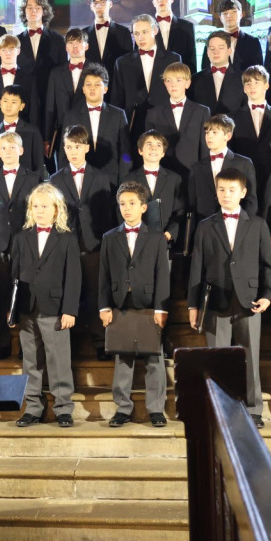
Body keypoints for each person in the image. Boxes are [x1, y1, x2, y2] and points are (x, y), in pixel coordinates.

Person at [187, 167, 271, 428]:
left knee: (250, 355)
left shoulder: (258, 224)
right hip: (216, 301)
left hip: (249, 301)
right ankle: (220, 407)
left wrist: (268, 296)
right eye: (222, 190)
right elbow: (197, 269)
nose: (227, 194)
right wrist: (194, 305)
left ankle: (254, 408)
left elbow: (268, 265)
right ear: (216, 193)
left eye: (232, 190)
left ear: (243, 192)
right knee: (217, 356)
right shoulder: (205, 226)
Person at [100, 181, 171, 427]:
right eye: (122, 204)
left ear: (143, 207)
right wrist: (104, 306)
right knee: (123, 357)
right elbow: (104, 276)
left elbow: (163, 274)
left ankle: (156, 409)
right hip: (120, 304)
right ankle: (123, 408)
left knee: (154, 358)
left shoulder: (156, 237)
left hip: (149, 304)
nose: (126, 209)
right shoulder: (109, 237)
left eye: (132, 204)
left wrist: (161, 308)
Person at [10, 183, 81, 427]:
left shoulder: (67, 239)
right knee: (31, 361)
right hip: (27, 309)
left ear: (56, 209)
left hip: (56, 308)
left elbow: (73, 277)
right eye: (35, 206)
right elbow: (15, 276)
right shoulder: (21, 238)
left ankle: (63, 408)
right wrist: (13, 310)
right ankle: (33, 407)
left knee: (59, 360)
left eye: (44, 206)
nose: (39, 210)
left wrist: (70, 309)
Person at [49, 125, 118, 361]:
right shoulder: (55, 178)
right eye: (68, 147)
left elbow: (108, 212)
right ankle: (67, 343)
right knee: (67, 292)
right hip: (66, 243)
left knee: (96, 292)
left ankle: (101, 341)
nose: (73, 151)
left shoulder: (101, 177)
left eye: (77, 147)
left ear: (87, 148)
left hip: (94, 242)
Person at [0, 130, 42, 359]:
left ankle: (27, 347)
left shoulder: (34, 178)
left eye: (12, 147)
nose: (8, 152)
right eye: (3, 148)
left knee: (26, 293)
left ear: (21, 150)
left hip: (27, 244)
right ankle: (0, 343)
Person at [111, 14, 180, 139]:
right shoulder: (122, 62)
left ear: (155, 30)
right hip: (133, 125)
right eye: (136, 34)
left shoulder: (173, 59)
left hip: (165, 122)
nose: (140, 37)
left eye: (144, 32)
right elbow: (117, 98)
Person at [59, 64, 130, 183]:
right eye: (88, 84)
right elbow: (63, 153)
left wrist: (124, 181)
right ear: (83, 89)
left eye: (97, 84)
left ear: (105, 89)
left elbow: (126, 153)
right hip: (80, 178)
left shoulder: (118, 114)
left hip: (111, 179)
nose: (92, 88)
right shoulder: (71, 115)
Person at [228, 65, 271, 200]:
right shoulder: (232, 117)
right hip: (242, 176)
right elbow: (230, 151)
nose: (252, 87)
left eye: (257, 82)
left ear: (266, 85)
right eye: (248, 83)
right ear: (244, 89)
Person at [145, 61, 211, 180]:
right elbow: (148, 147)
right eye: (169, 81)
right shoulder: (153, 113)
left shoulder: (202, 112)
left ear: (187, 83)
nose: (173, 85)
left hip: (193, 174)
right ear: (165, 83)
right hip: (164, 175)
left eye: (178, 80)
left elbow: (205, 148)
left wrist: (203, 175)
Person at [188, 114, 257, 222]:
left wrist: (246, 224)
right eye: (207, 132)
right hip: (206, 226)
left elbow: (251, 199)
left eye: (214, 132)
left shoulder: (243, 163)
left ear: (228, 136)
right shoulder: (197, 168)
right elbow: (192, 203)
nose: (209, 136)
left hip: (237, 223)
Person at [122, 131, 184, 243]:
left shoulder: (174, 179)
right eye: (149, 144)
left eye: (158, 145)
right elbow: (120, 209)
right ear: (140, 151)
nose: (153, 148)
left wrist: (169, 233)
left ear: (163, 153)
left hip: (164, 239)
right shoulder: (128, 179)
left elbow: (180, 210)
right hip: (136, 239)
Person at [16, 0, 67, 124]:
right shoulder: (16, 41)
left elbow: (63, 71)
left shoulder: (57, 39)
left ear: (44, 11)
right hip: (23, 98)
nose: (33, 10)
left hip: (49, 97)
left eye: (37, 7)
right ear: (24, 11)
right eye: (29, 7)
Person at [0, 34, 39, 135]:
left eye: (11, 49)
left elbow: (34, 111)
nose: (8, 53)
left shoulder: (30, 80)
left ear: (18, 51)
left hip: (23, 132)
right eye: (4, 50)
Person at [0, 85, 44, 175]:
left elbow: (39, 165)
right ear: (0, 104)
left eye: (13, 102)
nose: (8, 105)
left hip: (26, 184)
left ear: (22, 106)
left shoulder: (32, 132)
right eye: (5, 101)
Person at [44, 28, 89, 151]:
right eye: (70, 43)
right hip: (63, 133)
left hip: (89, 132)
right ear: (66, 47)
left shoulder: (96, 71)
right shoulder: (56, 73)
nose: (75, 47)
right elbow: (50, 107)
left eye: (79, 42)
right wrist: (47, 137)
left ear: (86, 46)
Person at [191, 30, 244, 114]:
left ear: (229, 51)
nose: (216, 52)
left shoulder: (243, 78)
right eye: (212, 48)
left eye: (221, 48)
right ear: (207, 52)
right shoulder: (194, 80)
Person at [206, 0, 262, 73]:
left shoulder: (252, 42)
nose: (229, 16)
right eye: (225, 13)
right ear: (220, 18)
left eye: (234, 12)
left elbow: (258, 72)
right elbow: (206, 70)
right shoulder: (211, 42)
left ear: (241, 14)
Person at [84, 0, 132, 72]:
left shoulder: (124, 33)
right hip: (91, 83)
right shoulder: (83, 34)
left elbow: (128, 64)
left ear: (110, 4)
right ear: (91, 7)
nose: (99, 6)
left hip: (115, 83)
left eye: (103, 2)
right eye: (95, 3)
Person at [151, 0, 197, 71]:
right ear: (153, 2)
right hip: (153, 82)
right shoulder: (146, 27)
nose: (160, 0)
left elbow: (191, 61)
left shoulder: (187, 26)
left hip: (179, 81)